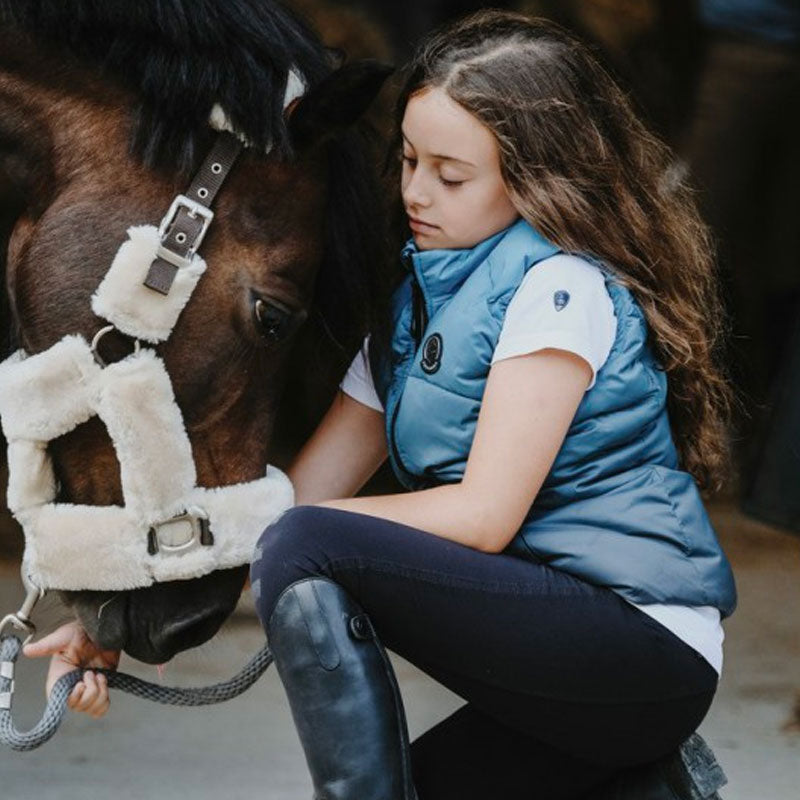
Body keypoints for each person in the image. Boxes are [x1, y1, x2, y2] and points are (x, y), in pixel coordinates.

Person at [26, 10, 737, 799]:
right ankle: (651, 785)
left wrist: (295, 536)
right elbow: (300, 500)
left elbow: (482, 516)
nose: (415, 192)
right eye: (407, 161)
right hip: (565, 667)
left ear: (534, 178)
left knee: (311, 570)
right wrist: (108, 619)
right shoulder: (408, 315)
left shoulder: (557, 289)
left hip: (638, 645)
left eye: (451, 174)